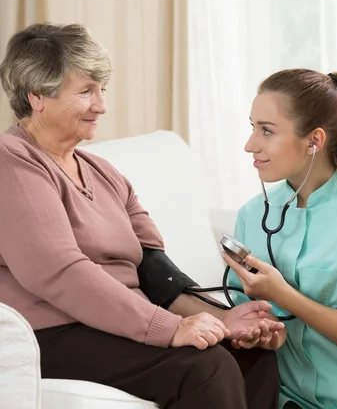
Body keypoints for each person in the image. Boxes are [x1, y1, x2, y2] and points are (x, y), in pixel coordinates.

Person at [0, 23, 283, 409]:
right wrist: (169, 329)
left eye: (102, 90)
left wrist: (222, 319)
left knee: (253, 357)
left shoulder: (103, 172)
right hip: (51, 332)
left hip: (112, 323)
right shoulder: (12, 163)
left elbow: (154, 268)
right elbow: (60, 273)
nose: (101, 105)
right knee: (206, 368)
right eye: (85, 91)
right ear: (37, 96)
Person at [224, 69, 337, 409]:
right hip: (283, 399)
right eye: (252, 127)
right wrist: (260, 331)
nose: (250, 145)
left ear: (314, 141)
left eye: (267, 131)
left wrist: (284, 296)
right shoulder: (251, 215)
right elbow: (240, 309)